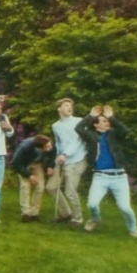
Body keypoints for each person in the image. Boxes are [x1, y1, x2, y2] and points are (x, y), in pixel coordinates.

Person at [75, 105, 137, 237]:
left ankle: (133, 228)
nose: (108, 122)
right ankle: (95, 219)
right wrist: (90, 116)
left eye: (108, 120)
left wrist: (111, 117)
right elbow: (79, 128)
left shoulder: (114, 135)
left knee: (125, 208)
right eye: (104, 121)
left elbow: (124, 130)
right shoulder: (91, 136)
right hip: (100, 177)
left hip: (119, 177)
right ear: (96, 125)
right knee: (92, 204)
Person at [46, 97, 88, 226]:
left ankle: (77, 218)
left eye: (70, 106)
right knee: (51, 187)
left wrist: (65, 154)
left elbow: (78, 140)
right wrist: (57, 157)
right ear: (59, 109)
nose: (69, 107)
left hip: (77, 159)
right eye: (66, 105)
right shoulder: (55, 126)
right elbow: (59, 142)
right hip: (62, 160)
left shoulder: (79, 121)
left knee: (70, 192)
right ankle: (65, 213)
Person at [11, 134, 55, 223]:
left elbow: (52, 155)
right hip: (23, 165)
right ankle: (25, 214)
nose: (50, 148)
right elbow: (16, 163)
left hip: (37, 164)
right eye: (47, 147)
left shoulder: (49, 143)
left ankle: (34, 213)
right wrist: (29, 175)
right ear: (40, 147)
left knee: (40, 187)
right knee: (25, 186)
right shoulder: (25, 147)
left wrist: (50, 166)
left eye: (50, 145)